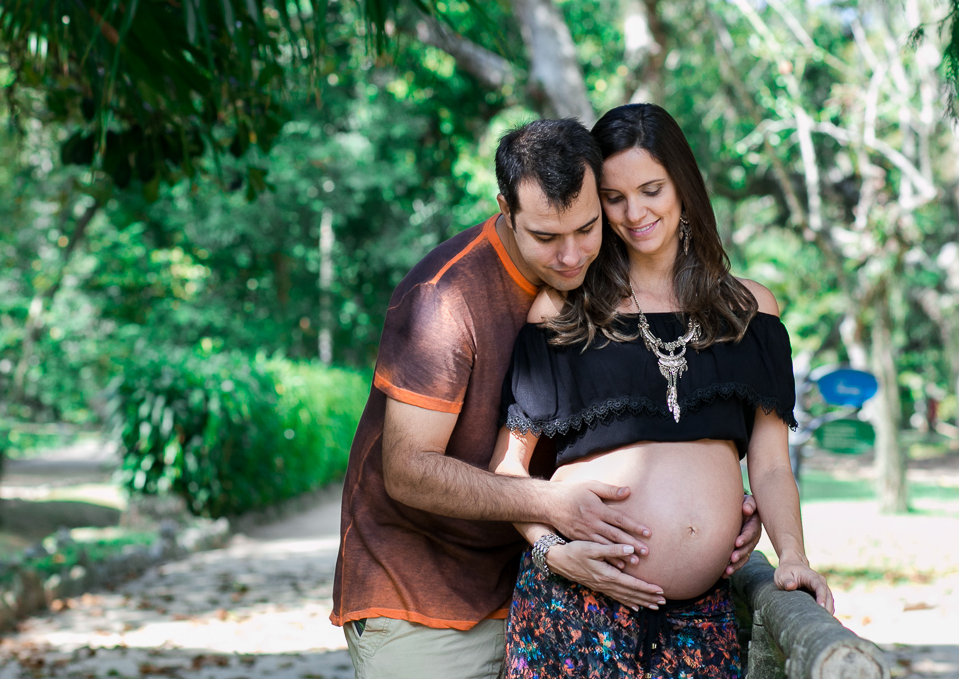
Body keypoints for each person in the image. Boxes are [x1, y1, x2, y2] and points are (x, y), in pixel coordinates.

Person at [331, 118, 763, 679]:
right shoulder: (445, 298)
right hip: (421, 596)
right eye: (545, 237)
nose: (569, 256)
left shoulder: (597, 284)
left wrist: (724, 509)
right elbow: (409, 471)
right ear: (505, 211)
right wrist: (550, 507)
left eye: (586, 228)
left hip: (537, 587)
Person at [490, 104, 834, 679]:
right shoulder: (563, 311)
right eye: (614, 198)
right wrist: (556, 552)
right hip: (574, 611)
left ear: (683, 185)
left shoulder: (750, 311)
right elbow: (509, 470)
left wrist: (793, 555)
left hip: (701, 624)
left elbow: (771, 467)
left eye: (651, 189)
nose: (634, 213)